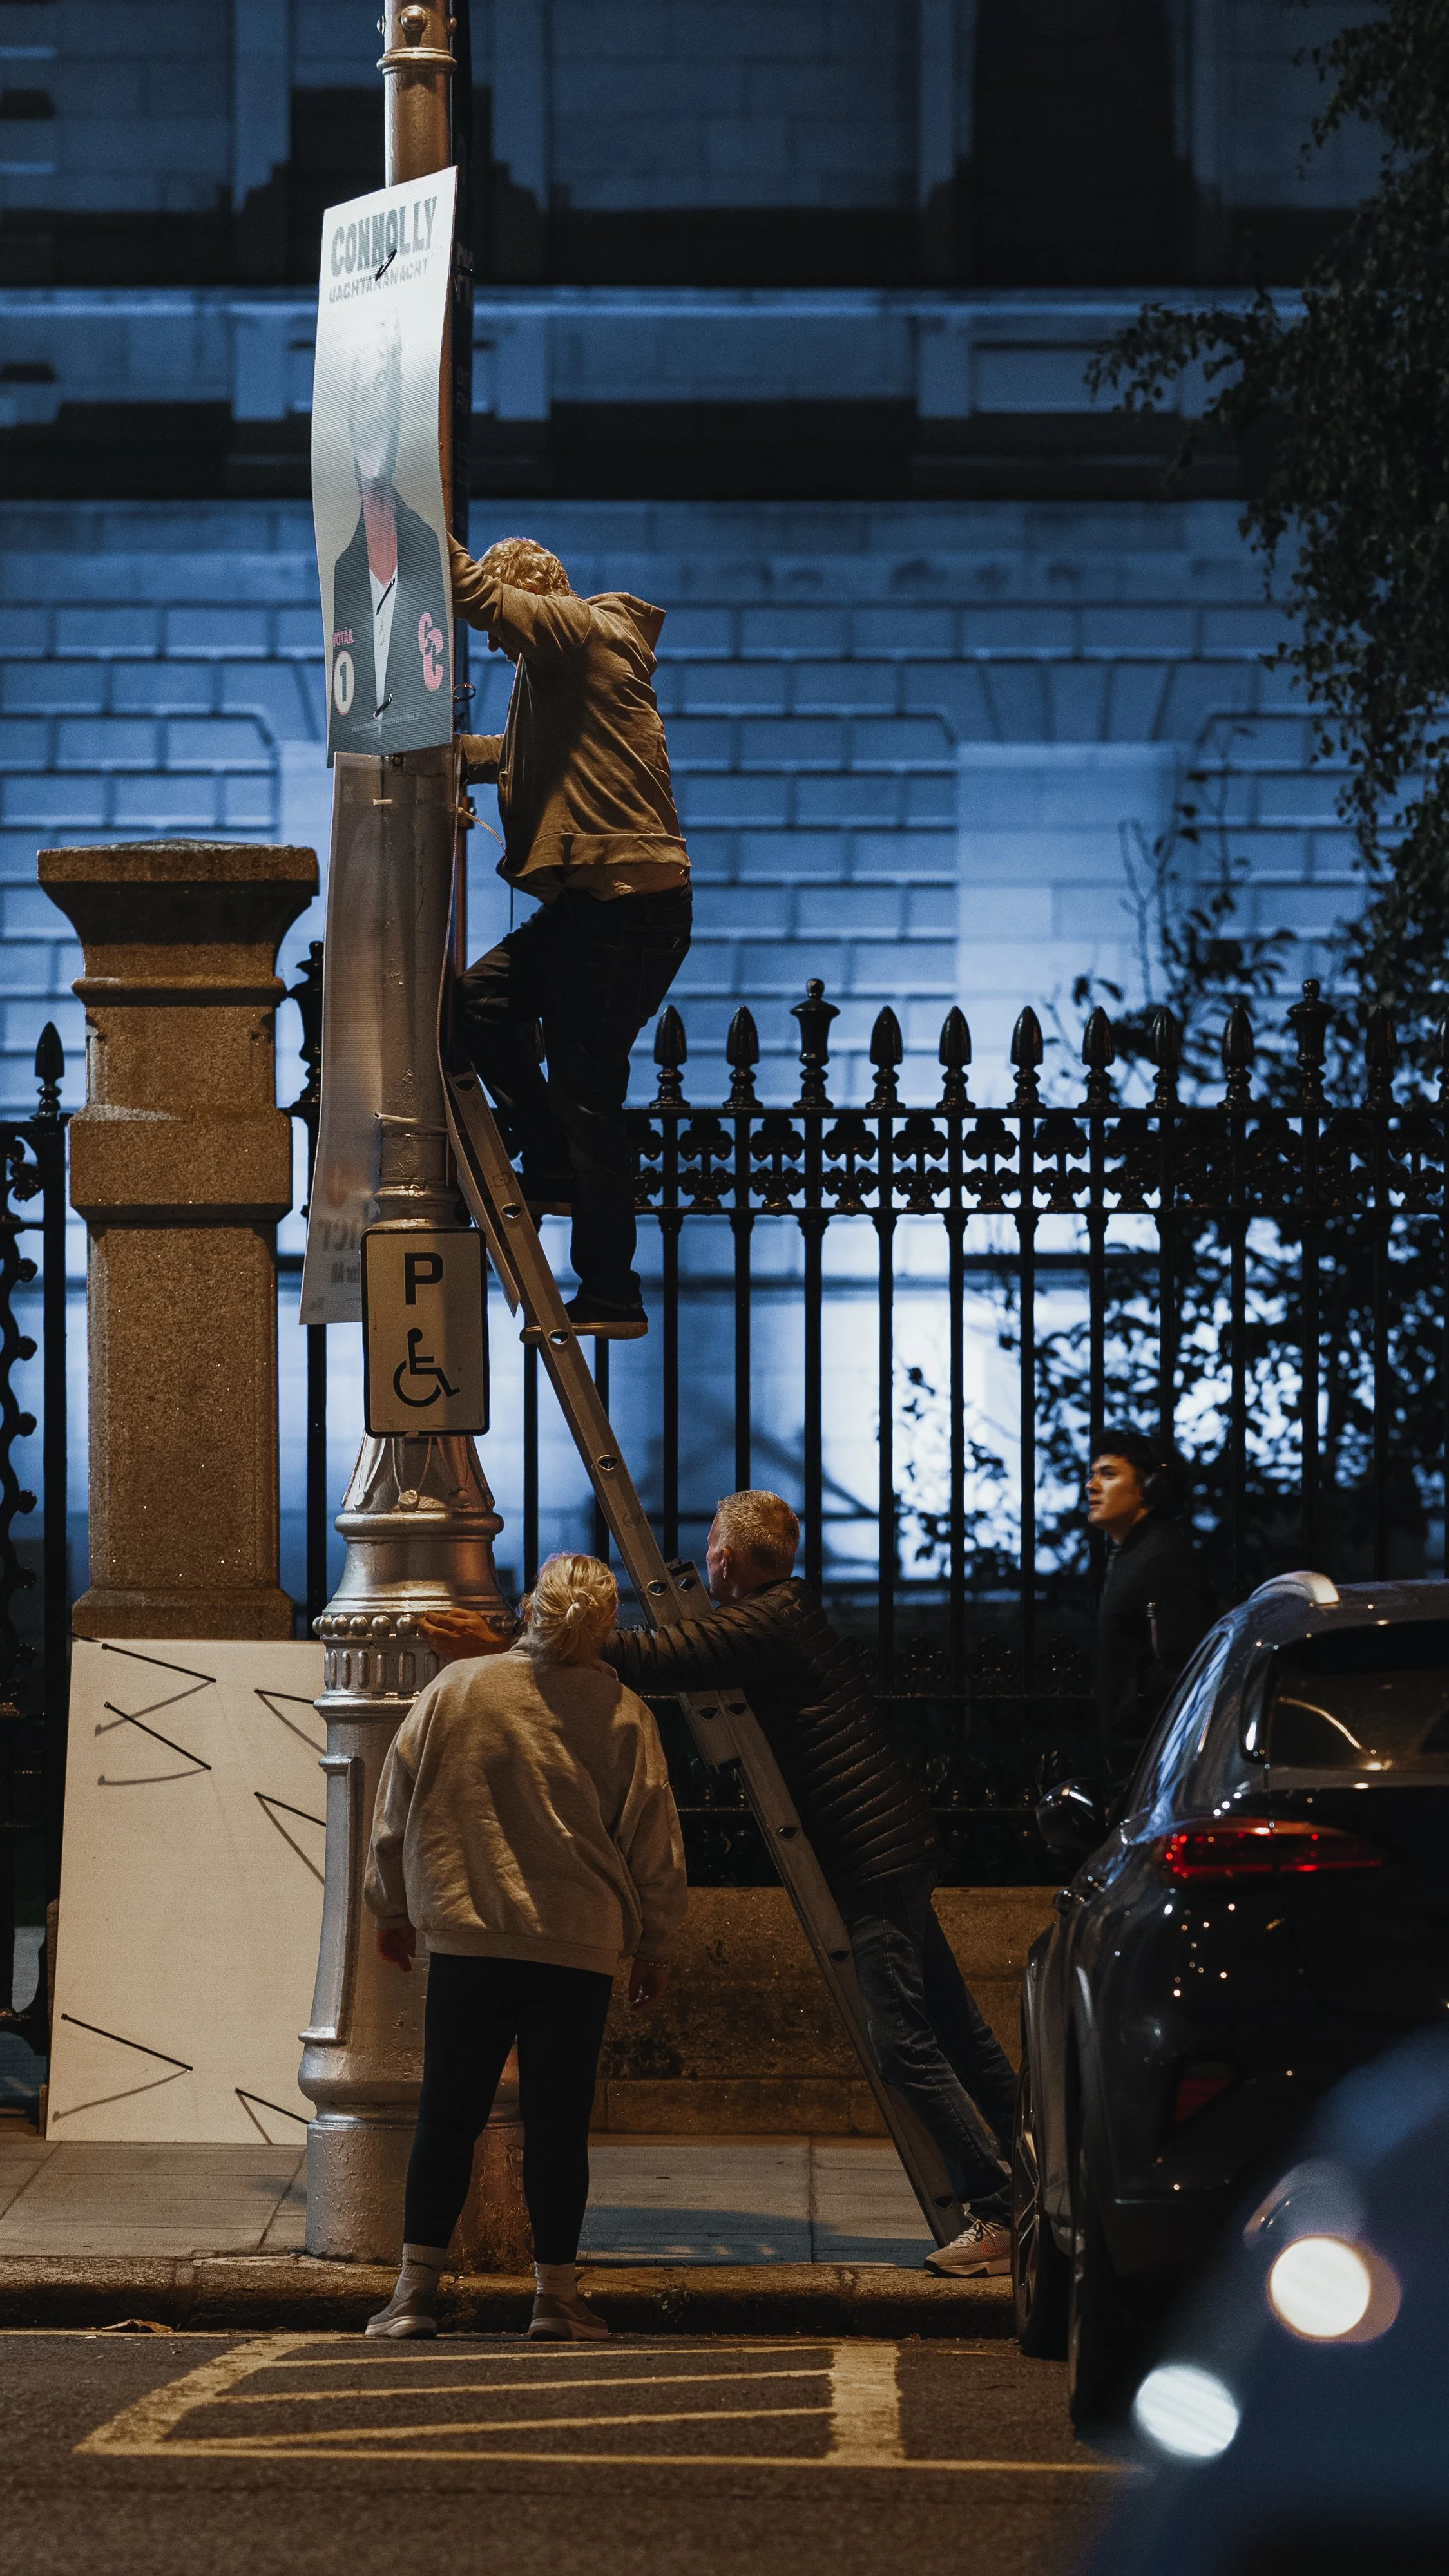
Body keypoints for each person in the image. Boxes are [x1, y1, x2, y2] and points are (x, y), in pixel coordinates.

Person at [425, 1491, 1019, 2280]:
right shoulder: (786, 1610)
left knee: (901, 2038)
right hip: (892, 1843)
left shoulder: (763, 1622)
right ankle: (1044, 2178)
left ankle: (999, 2204)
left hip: (867, 1855)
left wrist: (508, 1634)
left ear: (723, 1558)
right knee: (957, 2030)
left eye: (708, 1544)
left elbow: (656, 1658)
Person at [362, 1553, 686, 2343]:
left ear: (529, 1608)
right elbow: (652, 1838)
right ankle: (555, 2297)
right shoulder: (622, 1711)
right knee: (557, 2126)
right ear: (605, 1624)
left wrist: (392, 1906)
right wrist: (653, 1941)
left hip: (470, 1934)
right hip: (575, 1942)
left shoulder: (457, 1687)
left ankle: (412, 2295)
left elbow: (396, 1800)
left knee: (447, 2117)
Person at [445, 530, 693, 1341]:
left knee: (589, 1091)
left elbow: (480, 599)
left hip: (629, 909)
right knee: (480, 1004)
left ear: (531, 597)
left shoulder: (574, 631)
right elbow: (521, 761)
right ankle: (548, 1162)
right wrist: (445, 761)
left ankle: (610, 1289)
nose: (492, 641)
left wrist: (408, 513)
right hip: (602, 906)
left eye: (503, 626)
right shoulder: (561, 667)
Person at [328, 309, 450, 756]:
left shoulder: (429, 548)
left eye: (382, 389)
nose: (372, 409)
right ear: (348, 417)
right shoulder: (345, 571)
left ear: (398, 406)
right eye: (362, 393)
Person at [1088, 1431, 1216, 1776]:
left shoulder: (1161, 1558)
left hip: (1156, 1765)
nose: (1092, 1485)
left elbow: (1182, 1668)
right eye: (1093, 1474)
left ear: (1150, 1487)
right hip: (1135, 1762)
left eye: (1109, 1474)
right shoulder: (1131, 1554)